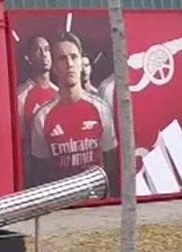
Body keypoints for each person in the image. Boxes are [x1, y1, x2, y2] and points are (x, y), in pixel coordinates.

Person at [27, 31, 117, 187]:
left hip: (97, 202)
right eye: (62, 59)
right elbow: (40, 173)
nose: (69, 64)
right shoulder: (42, 116)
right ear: (54, 67)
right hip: (61, 205)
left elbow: (112, 164)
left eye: (74, 57)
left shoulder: (101, 109)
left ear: (81, 63)